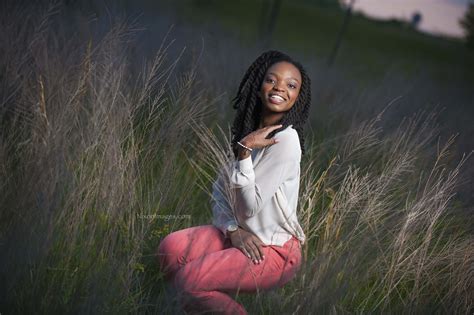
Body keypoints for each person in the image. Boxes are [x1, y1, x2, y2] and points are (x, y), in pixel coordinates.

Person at [156, 50, 312, 314]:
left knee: (189, 282)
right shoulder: (248, 133)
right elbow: (219, 193)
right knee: (169, 251)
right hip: (238, 236)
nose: (279, 88)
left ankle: (195, 296)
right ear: (259, 86)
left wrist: (244, 154)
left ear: (298, 96)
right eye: (271, 80)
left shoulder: (286, 141)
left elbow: (249, 207)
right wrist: (232, 230)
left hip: (272, 251)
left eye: (291, 85)